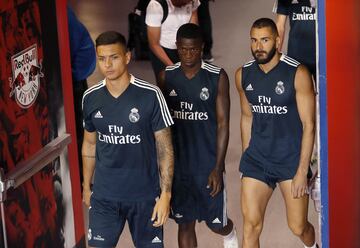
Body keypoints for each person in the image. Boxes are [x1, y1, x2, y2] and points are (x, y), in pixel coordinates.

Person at [82, 31, 174, 248]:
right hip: (105, 196)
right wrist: (87, 186)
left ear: (127, 57)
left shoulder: (150, 95)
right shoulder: (91, 98)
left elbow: (165, 149)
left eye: (114, 57)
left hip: (144, 196)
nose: (108, 65)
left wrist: (166, 195)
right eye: (102, 58)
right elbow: (89, 143)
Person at [235, 18, 318, 248]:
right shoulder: (243, 75)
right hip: (258, 159)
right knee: (251, 226)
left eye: (264, 40)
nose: (258, 47)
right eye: (254, 40)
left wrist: (302, 171)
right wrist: (246, 157)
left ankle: (312, 246)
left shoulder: (297, 73)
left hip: (290, 160)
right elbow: (246, 117)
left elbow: (309, 124)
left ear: (278, 41)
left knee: (298, 227)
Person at [159, 23, 238, 248]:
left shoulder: (217, 77)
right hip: (180, 165)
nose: (188, 54)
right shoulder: (166, 76)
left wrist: (218, 166)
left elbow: (223, 125)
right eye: (183, 49)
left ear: (201, 48)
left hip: (207, 164)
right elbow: (160, 125)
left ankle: (230, 235)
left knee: (216, 224)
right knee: (185, 223)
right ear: (176, 47)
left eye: (193, 49)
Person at [67, 6, 96, 184]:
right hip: (65, 80)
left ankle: (80, 180)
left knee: (77, 130)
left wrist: (72, 75)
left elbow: (85, 49)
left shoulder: (63, 13)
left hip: (73, 81)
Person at [145, 0, 200, 83]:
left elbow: (193, 26)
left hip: (184, 49)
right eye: (185, 2)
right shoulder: (155, 6)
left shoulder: (191, 1)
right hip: (163, 51)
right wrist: (174, 68)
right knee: (168, 86)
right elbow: (154, 44)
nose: (188, 4)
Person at [273, 0, 316, 79]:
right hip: (297, 55)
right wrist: (275, 55)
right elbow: (280, 26)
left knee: (327, 90)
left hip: (323, 55)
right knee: (298, 90)